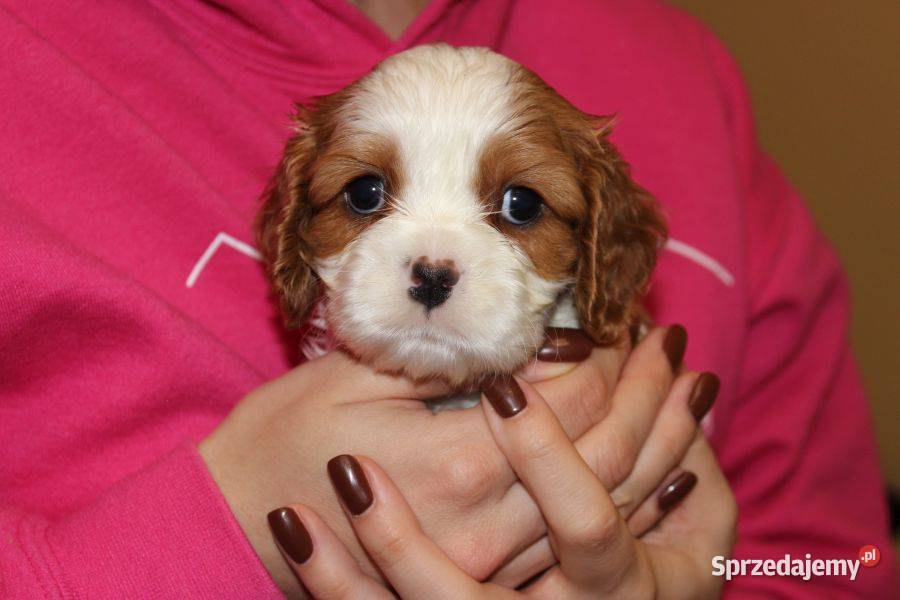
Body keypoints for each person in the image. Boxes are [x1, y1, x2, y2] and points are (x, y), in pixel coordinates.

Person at [0, 0, 893, 598]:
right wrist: (215, 542)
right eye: (364, 196)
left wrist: (713, 577)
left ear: (602, 250)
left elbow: (842, 564)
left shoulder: (687, 67)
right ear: (290, 234)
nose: (433, 263)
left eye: (519, 206)